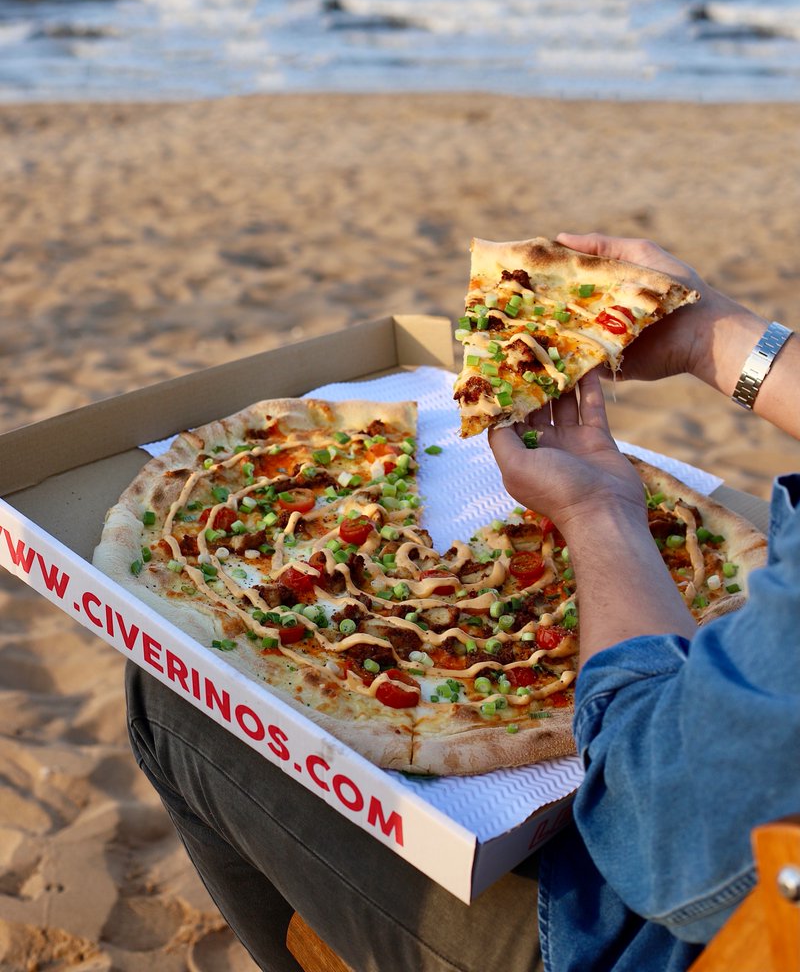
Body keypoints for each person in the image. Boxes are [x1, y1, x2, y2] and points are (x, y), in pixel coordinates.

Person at [125, 233, 800, 972]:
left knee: (169, 698)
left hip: (644, 935)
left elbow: (664, 826)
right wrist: (715, 338)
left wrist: (599, 515)